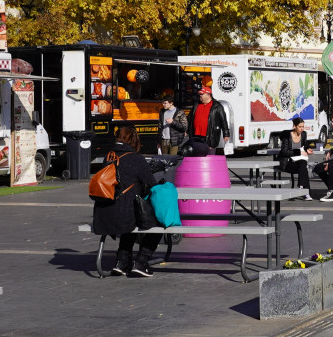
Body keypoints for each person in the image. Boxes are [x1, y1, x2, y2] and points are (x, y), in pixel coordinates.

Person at [90, 125, 169, 276]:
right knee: (159, 222)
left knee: (130, 217)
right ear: (133, 140)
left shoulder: (109, 156)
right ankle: (141, 262)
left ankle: (121, 262)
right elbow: (151, 184)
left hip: (103, 214)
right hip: (123, 215)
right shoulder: (136, 158)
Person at [273, 118, 317, 196]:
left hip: (297, 162)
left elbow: (304, 145)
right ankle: (306, 193)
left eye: (303, 126)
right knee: (303, 168)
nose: (302, 129)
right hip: (286, 162)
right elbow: (284, 151)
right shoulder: (287, 136)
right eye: (300, 127)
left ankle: (301, 186)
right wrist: (299, 152)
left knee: (303, 165)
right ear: (294, 126)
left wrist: (307, 149)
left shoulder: (303, 134)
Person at [185, 85, 231, 153]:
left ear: (208, 95)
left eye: (202, 94)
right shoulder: (196, 104)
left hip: (209, 136)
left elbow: (223, 121)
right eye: (200, 94)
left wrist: (226, 134)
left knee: (209, 156)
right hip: (196, 136)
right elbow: (190, 118)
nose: (200, 95)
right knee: (197, 155)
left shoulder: (217, 106)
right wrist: (186, 130)